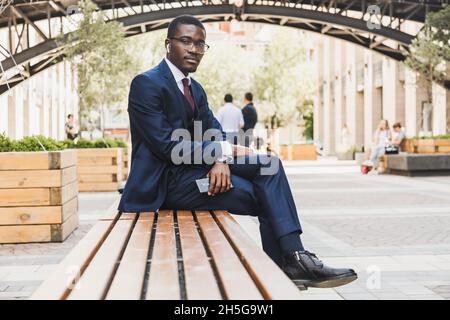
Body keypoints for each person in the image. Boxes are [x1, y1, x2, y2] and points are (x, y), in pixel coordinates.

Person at [119, 15, 356, 289]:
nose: (194, 49)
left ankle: (294, 258)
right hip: (163, 187)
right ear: (168, 44)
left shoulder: (195, 89)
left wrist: (220, 157)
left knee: (270, 167)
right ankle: (284, 270)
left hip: (193, 177)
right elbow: (167, 146)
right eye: (186, 41)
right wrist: (221, 151)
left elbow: (214, 130)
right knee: (267, 196)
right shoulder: (146, 84)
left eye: (200, 44)